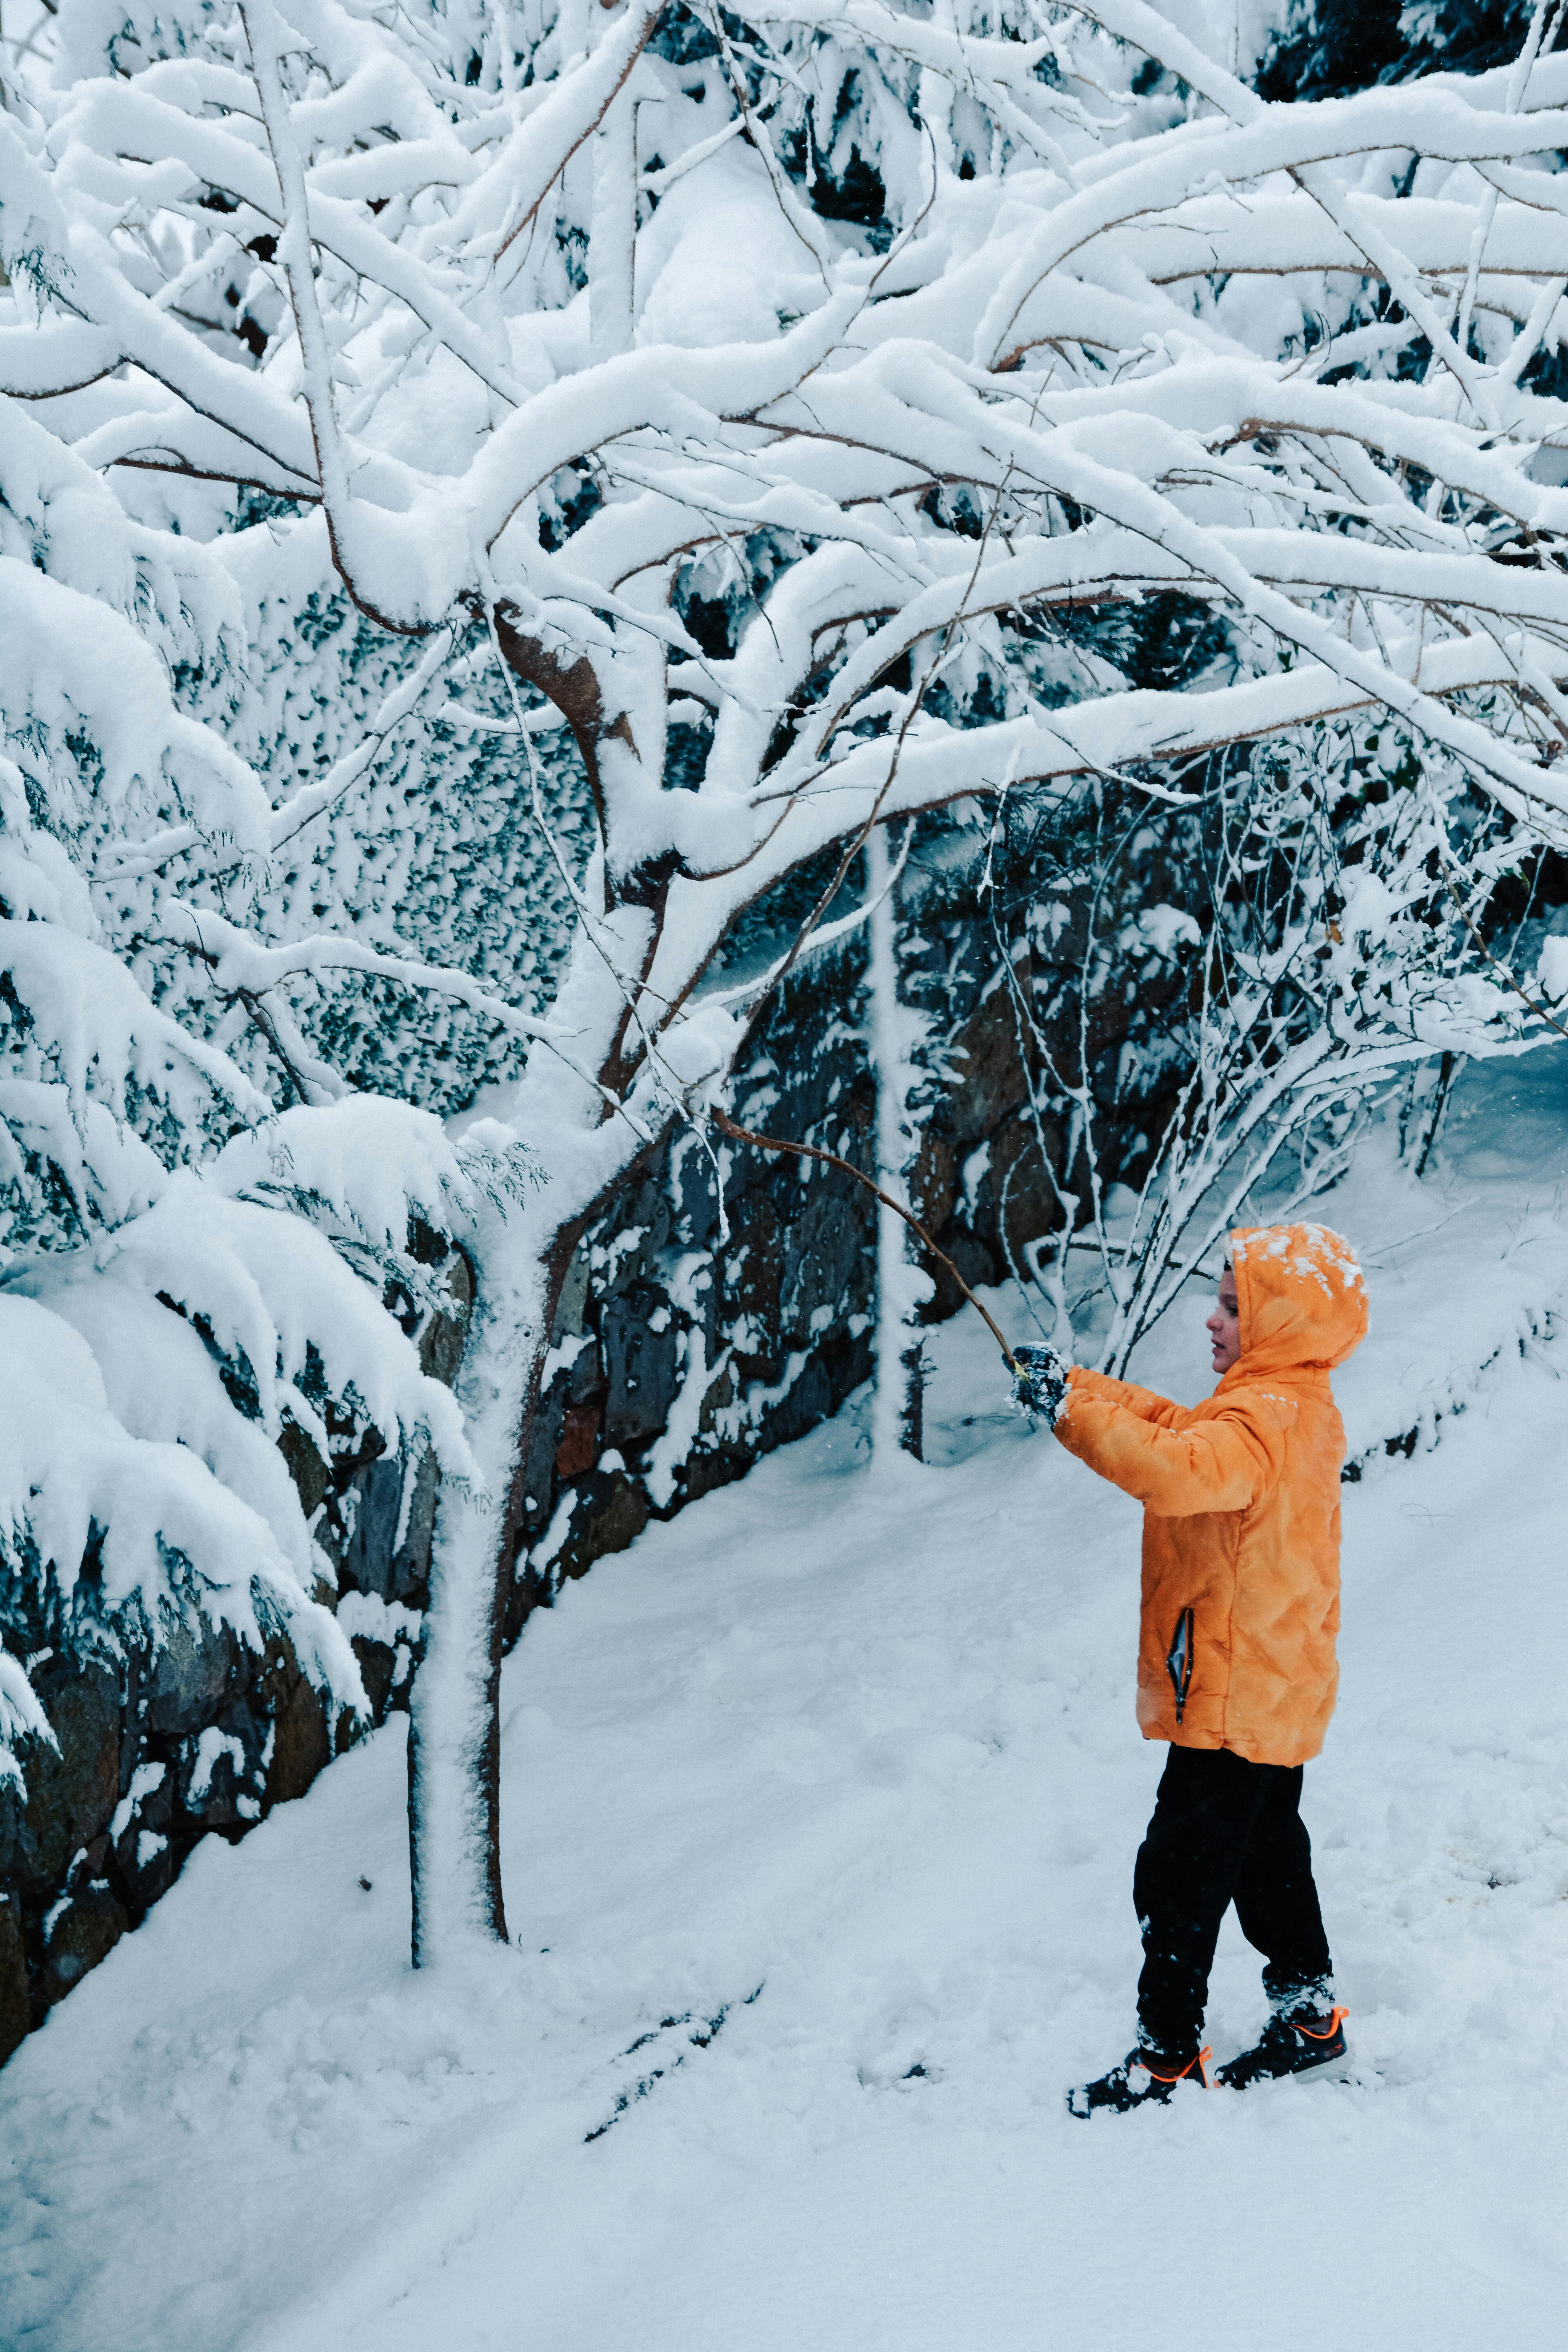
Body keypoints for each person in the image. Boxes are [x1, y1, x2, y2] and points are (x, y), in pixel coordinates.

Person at [1010, 1222, 1368, 2116]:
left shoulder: (1260, 1419)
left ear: (1281, 1323)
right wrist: (1078, 1388)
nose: (1212, 1320)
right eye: (1218, 1299)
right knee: (1264, 1856)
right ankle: (1308, 2020)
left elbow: (1173, 1470)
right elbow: (1176, 1427)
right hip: (1272, 1685)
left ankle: (1164, 2058)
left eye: (1234, 1307)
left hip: (1236, 1691)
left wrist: (1068, 1414)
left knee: (1176, 1871)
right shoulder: (1286, 1403)